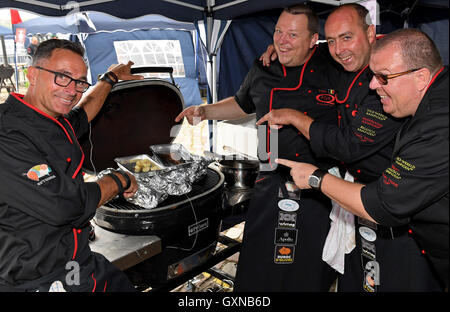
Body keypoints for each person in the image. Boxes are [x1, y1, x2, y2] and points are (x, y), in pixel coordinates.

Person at [257, 3, 443, 291]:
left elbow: (353, 151)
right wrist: (282, 46)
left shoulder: (430, 121)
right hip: (364, 199)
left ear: (371, 34)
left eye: (346, 37)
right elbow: (308, 50)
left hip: (395, 210)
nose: (373, 85)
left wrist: (315, 173)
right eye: (330, 40)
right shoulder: (344, 62)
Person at [176, 4, 341, 291]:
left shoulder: (334, 65)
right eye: (278, 31)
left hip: (317, 185)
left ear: (314, 40)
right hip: (269, 177)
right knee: (259, 263)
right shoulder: (263, 66)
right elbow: (242, 103)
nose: (282, 40)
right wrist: (204, 111)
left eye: (293, 34)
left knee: (307, 269)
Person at [0, 39, 144, 292]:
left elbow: (84, 111)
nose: (72, 89)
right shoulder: (7, 132)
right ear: (32, 74)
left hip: (77, 260)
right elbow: (63, 205)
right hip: (37, 276)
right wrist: (118, 180)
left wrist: (110, 78)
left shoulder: (51, 118)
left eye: (79, 81)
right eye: (62, 77)